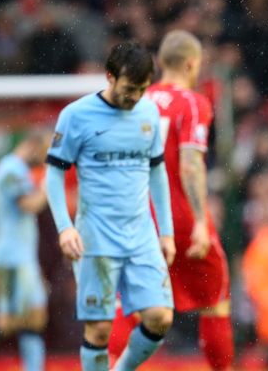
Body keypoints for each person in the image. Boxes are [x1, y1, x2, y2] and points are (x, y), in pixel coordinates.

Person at [44, 41, 175, 371]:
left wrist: (167, 232)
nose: (135, 97)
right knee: (100, 329)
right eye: (130, 89)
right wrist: (64, 228)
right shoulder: (76, 116)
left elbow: (157, 171)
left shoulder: (147, 112)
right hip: (96, 237)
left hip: (141, 234)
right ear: (110, 77)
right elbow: (53, 174)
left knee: (160, 318)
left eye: (142, 90)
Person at [108, 30, 234, 370]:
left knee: (129, 302)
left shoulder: (137, 101)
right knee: (215, 300)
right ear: (193, 64)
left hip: (137, 216)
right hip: (178, 216)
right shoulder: (193, 102)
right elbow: (191, 164)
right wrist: (199, 222)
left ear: (161, 63)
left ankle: (108, 364)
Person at [0, 130, 51, 371]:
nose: (45, 160)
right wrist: (53, 179)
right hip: (14, 258)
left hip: (15, 256)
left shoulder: (9, 169)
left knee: (33, 317)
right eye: (45, 153)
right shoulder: (12, 170)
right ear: (34, 145)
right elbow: (30, 204)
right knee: (12, 320)